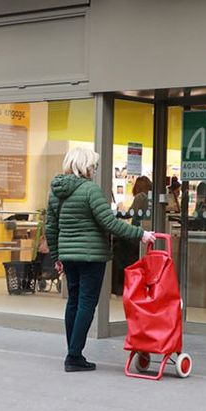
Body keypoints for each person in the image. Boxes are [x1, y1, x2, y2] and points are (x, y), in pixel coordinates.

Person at [46, 147, 155, 372]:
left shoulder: (56, 192)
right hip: (91, 256)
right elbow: (109, 223)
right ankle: (74, 356)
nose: (94, 170)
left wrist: (57, 256)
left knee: (73, 301)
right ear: (84, 165)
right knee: (86, 303)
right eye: (93, 166)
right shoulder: (90, 190)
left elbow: (51, 227)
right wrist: (140, 234)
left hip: (68, 256)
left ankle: (73, 351)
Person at [112, 175, 152, 295]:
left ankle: (117, 285)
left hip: (137, 234)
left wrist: (116, 213)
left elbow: (130, 213)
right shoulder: (150, 197)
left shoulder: (140, 196)